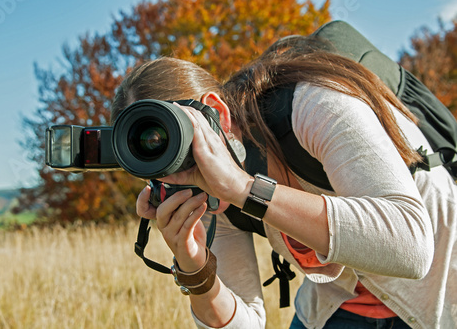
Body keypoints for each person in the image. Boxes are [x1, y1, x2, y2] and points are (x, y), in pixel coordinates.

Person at [110, 36, 457, 329]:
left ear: (215, 112)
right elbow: (245, 321)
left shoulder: (313, 104)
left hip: (437, 294)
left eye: (176, 141)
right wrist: (196, 269)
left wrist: (244, 189)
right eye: (154, 159)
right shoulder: (208, 192)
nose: (176, 172)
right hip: (338, 303)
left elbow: (411, 247)